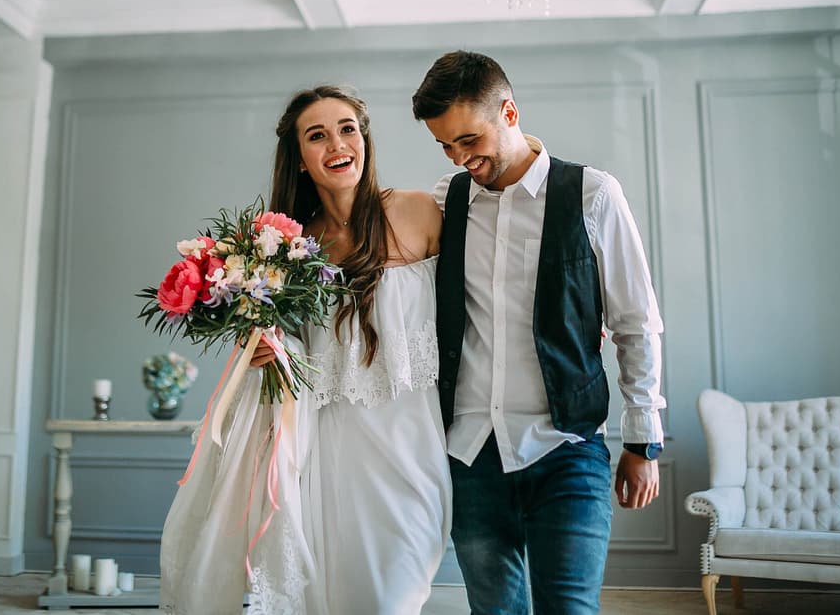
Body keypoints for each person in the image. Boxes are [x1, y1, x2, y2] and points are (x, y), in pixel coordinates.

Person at [160, 85, 451, 615]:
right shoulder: (291, 252)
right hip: (327, 448)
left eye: (347, 129)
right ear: (299, 159)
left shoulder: (421, 212)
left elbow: (481, 297)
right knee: (329, 599)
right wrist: (267, 349)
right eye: (317, 135)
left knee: (392, 598)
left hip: (411, 444)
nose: (338, 144)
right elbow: (287, 344)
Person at [412, 50, 667, 615]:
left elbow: (636, 323)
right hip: (469, 454)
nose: (460, 158)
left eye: (469, 140)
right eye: (445, 146)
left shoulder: (593, 195)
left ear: (508, 112)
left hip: (567, 449)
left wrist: (642, 440)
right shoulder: (444, 203)